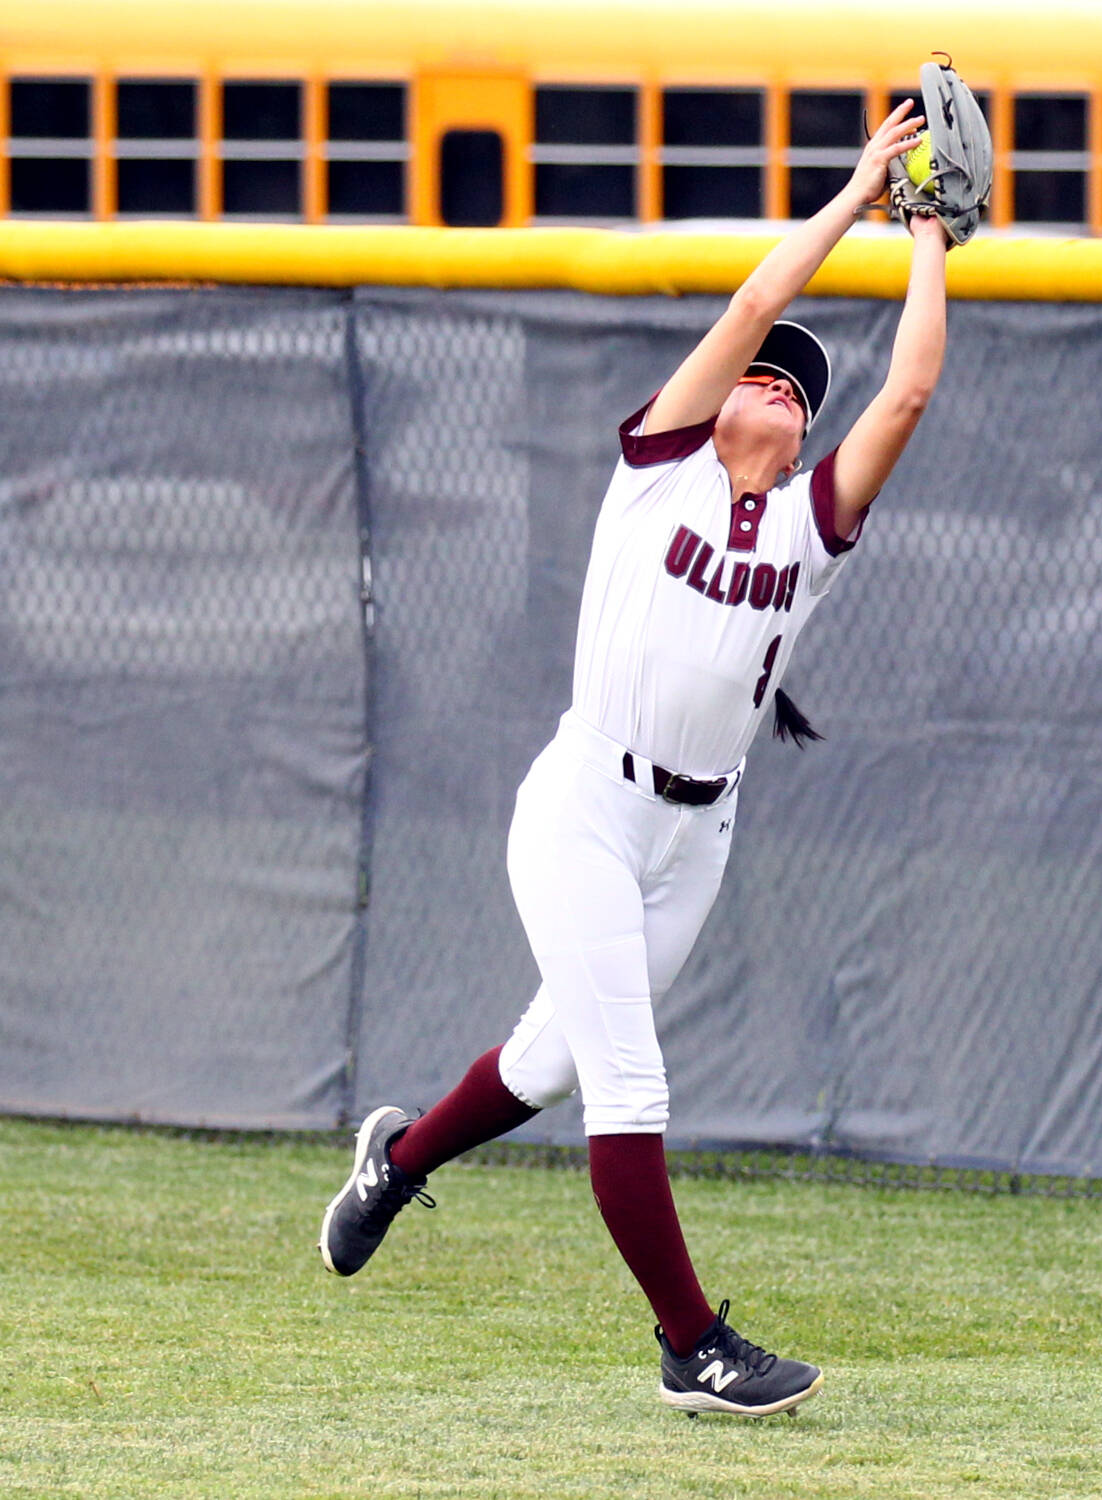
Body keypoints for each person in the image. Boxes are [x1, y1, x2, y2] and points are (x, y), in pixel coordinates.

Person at [320, 98, 950, 1417]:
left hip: (695, 843)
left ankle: (393, 1164)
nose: (768, 382)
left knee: (550, 1063)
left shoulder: (806, 537)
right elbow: (749, 307)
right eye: (755, 374)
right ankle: (691, 1347)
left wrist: (934, 235)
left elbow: (909, 389)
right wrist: (855, 198)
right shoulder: (653, 469)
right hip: (585, 813)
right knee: (628, 1076)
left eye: (791, 382)